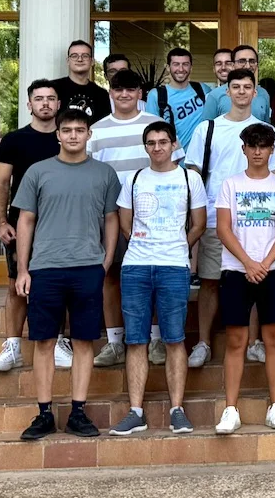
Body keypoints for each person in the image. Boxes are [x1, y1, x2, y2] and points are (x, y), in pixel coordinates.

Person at [14, 109, 122, 441]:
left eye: (79, 129)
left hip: (87, 268)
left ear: (89, 134)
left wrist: (104, 262)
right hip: (45, 268)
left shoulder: (104, 174)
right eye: (67, 130)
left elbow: (111, 219)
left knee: (83, 341)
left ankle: (78, 411)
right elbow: (25, 221)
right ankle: (44, 413)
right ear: (57, 135)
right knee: (44, 341)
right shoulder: (37, 172)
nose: (73, 135)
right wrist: (22, 269)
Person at [184, 69, 275, 370]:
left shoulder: (266, 130)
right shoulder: (208, 129)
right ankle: (203, 342)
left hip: (258, 223)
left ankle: (255, 342)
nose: (241, 92)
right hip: (217, 219)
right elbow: (194, 173)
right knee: (209, 280)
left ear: (255, 93)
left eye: (247, 87)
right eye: (235, 87)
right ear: (226, 91)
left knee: (256, 276)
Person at [109, 121, 207, 436]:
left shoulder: (189, 178)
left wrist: (177, 246)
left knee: (175, 338)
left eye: (163, 142)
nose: (157, 148)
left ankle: (177, 409)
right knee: (136, 339)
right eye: (151, 143)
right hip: (136, 265)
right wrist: (144, 244)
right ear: (145, 146)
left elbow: (199, 223)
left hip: (174, 266)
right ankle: (136, 411)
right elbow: (125, 222)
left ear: (173, 144)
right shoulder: (135, 178)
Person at [213, 122, 275, 433]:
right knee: (236, 339)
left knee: (274, 337)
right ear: (244, 148)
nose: (258, 151)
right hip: (236, 270)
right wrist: (248, 262)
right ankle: (230, 408)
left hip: (274, 269)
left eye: (264, 145)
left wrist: (264, 262)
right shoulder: (230, 184)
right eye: (252, 145)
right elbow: (223, 228)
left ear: (272, 149)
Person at [87, 68, 172, 368]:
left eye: (130, 89)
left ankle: (157, 339)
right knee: (111, 275)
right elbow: (89, 173)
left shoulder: (155, 125)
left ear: (140, 93)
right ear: (110, 92)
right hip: (110, 215)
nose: (124, 94)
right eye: (118, 89)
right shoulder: (96, 130)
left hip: (155, 217)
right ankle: (114, 342)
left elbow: (176, 166)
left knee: (156, 278)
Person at [0, 80, 72, 373]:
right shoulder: (13, 140)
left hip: (61, 222)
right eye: (39, 99)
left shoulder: (67, 137)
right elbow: (1, 184)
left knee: (59, 283)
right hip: (20, 221)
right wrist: (1, 222)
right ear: (29, 105)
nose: (46, 104)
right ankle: (12, 345)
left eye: (51, 98)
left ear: (59, 104)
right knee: (15, 284)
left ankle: (60, 340)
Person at [150, 47, 212, 147]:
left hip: (202, 158)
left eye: (185, 64)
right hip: (173, 159)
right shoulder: (156, 95)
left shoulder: (202, 89)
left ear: (191, 67)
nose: (181, 69)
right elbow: (151, 131)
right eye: (176, 64)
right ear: (167, 67)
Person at [204, 45, 273, 124]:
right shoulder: (215, 95)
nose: (247, 66)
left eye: (252, 61)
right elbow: (206, 129)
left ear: (256, 65)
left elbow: (266, 127)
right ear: (232, 65)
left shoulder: (263, 93)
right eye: (242, 61)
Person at [50, 40, 111, 124]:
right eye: (74, 56)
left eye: (85, 56)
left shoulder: (101, 94)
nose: (79, 59)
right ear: (68, 61)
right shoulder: (53, 88)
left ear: (92, 61)